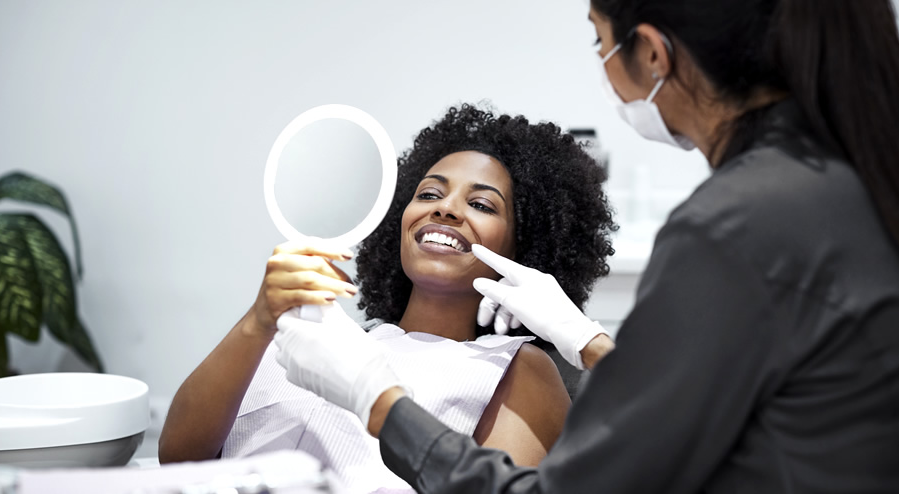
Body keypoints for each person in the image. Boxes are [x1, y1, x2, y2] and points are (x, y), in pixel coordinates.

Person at [273, 1, 899, 492]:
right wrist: (590, 342)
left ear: (653, 54)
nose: (447, 209)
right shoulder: (838, 182)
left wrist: (376, 401)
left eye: (601, 40)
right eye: (431, 190)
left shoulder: (732, 228)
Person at [158, 104, 617, 492]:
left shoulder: (515, 366)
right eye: (429, 193)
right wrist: (259, 321)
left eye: (481, 204)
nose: (445, 208)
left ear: (523, 247)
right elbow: (179, 458)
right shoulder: (309, 340)